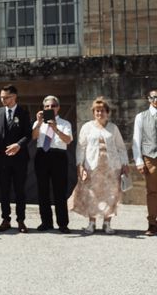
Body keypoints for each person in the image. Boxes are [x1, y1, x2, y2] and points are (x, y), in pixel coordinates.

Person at [69, 97, 129, 234]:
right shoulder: (87, 127)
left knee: (111, 195)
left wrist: (125, 163)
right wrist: (80, 165)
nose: (99, 113)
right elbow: (81, 147)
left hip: (111, 167)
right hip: (92, 167)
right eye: (97, 111)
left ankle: (107, 223)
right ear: (93, 112)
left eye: (102, 111)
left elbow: (121, 147)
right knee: (92, 195)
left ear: (107, 112)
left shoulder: (113, 128)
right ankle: (91, 223)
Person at [0, 84, 32, 233]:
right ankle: (5, 219)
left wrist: (18, 145)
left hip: (19, 158)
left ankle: (21, 220)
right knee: (4, 190)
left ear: (14, 97)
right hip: (2, 159)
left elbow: (29, 134)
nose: (3, 100)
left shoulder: (24, 111)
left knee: (20, 190)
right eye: (1, 97)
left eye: (6, 97)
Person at [32, 95, 73, 233]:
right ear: (43, 108)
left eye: (53, 106)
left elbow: (68, 140)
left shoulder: (65, 123)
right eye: (47, 106)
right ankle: (46, 222)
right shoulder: (39, 122)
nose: (50, 108)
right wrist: (38, 122)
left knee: (60, 191)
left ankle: (62, 223)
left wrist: (55, 128)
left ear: (58, 108)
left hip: (58, 156)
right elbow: (33, 136)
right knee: (42, 190)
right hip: (42, 155)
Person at [132, 89, 157, 236]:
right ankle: (152, 223)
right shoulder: (141, 117)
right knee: (152, 192)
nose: (156, 99)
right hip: (150, 158)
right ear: (149, 99)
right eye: (154, 97)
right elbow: (136, 140)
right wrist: (139, 161)